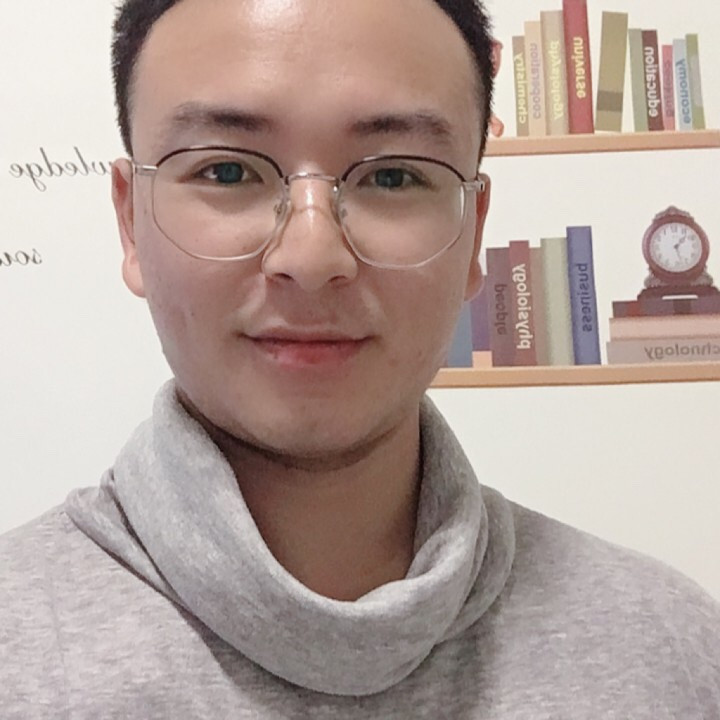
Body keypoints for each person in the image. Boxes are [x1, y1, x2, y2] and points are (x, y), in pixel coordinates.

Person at [1, 0, 718, 716]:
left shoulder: (672, 655)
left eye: (393, 177)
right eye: (227, 171)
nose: (312, 257)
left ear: (473, 235)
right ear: (131, 221)